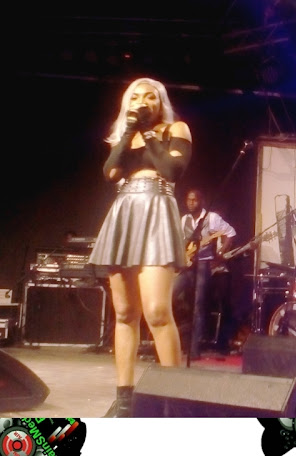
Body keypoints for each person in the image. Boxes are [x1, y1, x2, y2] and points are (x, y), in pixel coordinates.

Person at [89, 77, 192, 417]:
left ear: (161, 102)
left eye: (151, 97)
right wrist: (129, 132)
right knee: (124, 312)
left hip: (157, 210)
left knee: (157, 311)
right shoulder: (124, 135)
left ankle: (175, 400)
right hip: (125, 211)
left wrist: (147, 132)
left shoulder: (176, 129)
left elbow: (171, 170)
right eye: (136, 97)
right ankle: (124, 399)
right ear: (127, 103)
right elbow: (110, 172)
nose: (143, 101)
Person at [172, 189, 237, 359]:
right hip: (187, 265)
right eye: (188, 200)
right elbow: (182, 241)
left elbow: (230, 233)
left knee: (198, 304)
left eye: (194, 200)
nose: (191, 203)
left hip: (204, 264)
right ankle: (176, 338)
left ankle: (194, 349)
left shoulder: (212, 218)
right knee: (171, 294)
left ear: (201, 202)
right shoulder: (184, 220)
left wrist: (221, 252)